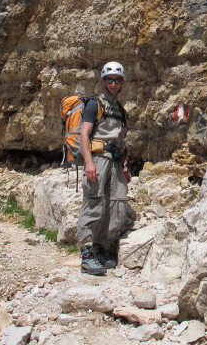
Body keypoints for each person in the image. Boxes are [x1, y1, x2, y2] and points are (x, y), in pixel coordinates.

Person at [76, 61, 135, 275]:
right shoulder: (95, 104)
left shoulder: (119, 109)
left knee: (114, 206)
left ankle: (100, 249)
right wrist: (89, 162)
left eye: (117, 80)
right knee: (94, 203)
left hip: (116, 161)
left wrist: (125, 166)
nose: (113, 83)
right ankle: (86, 254)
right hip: (99, 158)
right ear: (103, 81)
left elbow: (121, 139)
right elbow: (84, 134)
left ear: (122, 83)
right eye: (109, 79)